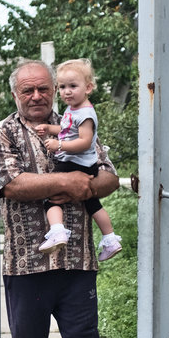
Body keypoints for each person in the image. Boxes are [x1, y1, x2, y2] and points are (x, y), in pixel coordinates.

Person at [0, 59, 119, 338]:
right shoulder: (4, 131)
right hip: (26, 259)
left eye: (43, 89)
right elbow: (13, 183)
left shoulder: (77, 120)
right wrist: (69, 180)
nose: (36, 96)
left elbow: (109, 176)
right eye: (27, 90)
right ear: (14, 94)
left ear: (54, 89)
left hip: (77, 260)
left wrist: (87, 185)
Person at [34, 59, 122, 261]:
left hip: (75, 164)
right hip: (82, 164)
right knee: (93, 204)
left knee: (50, 197)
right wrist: (50, 129)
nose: (67, 92)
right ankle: (110, 239)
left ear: (88, 87)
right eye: (62, 87)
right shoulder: (74, 110)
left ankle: (57, 231)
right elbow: (66, 131)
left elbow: (84, 141)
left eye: (73, 86)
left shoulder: (85, 114)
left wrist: (59, 145)